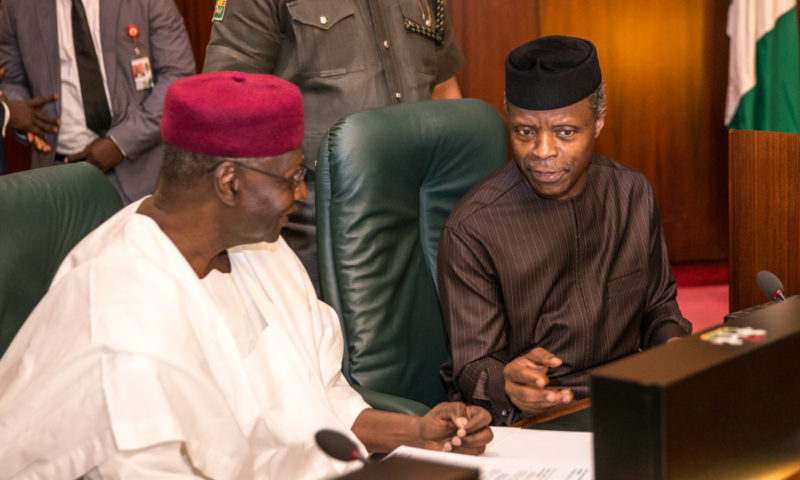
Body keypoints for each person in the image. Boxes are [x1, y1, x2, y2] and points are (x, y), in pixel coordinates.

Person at [0, 71, 492, 479]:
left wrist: (417, 434)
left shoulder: (263, 250)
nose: (300, 196)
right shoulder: (120, 308)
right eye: (293, 178)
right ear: (230, 183)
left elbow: (321, 404)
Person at [437, 35, 692, 426]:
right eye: (524, 132)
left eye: (565, 133)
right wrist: (507, 382)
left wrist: (674, 345)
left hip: (628, 398)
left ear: (599, 120)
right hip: (535, 419)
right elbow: (472, 362)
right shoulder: (472, 229)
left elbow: (659, 307)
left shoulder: (631, 192)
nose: (542, 151)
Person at [203, 0, 466, 289]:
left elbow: (443, 87)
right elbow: (226, 104)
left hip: (419, 217)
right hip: (315, 227)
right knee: (325, 333)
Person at [0, 0, 195, 203]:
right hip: (59, 176)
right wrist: (26, 122)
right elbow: (13, 79)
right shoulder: (17, 4)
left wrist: (120, 143)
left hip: (141, 172)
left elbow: (177, 77)